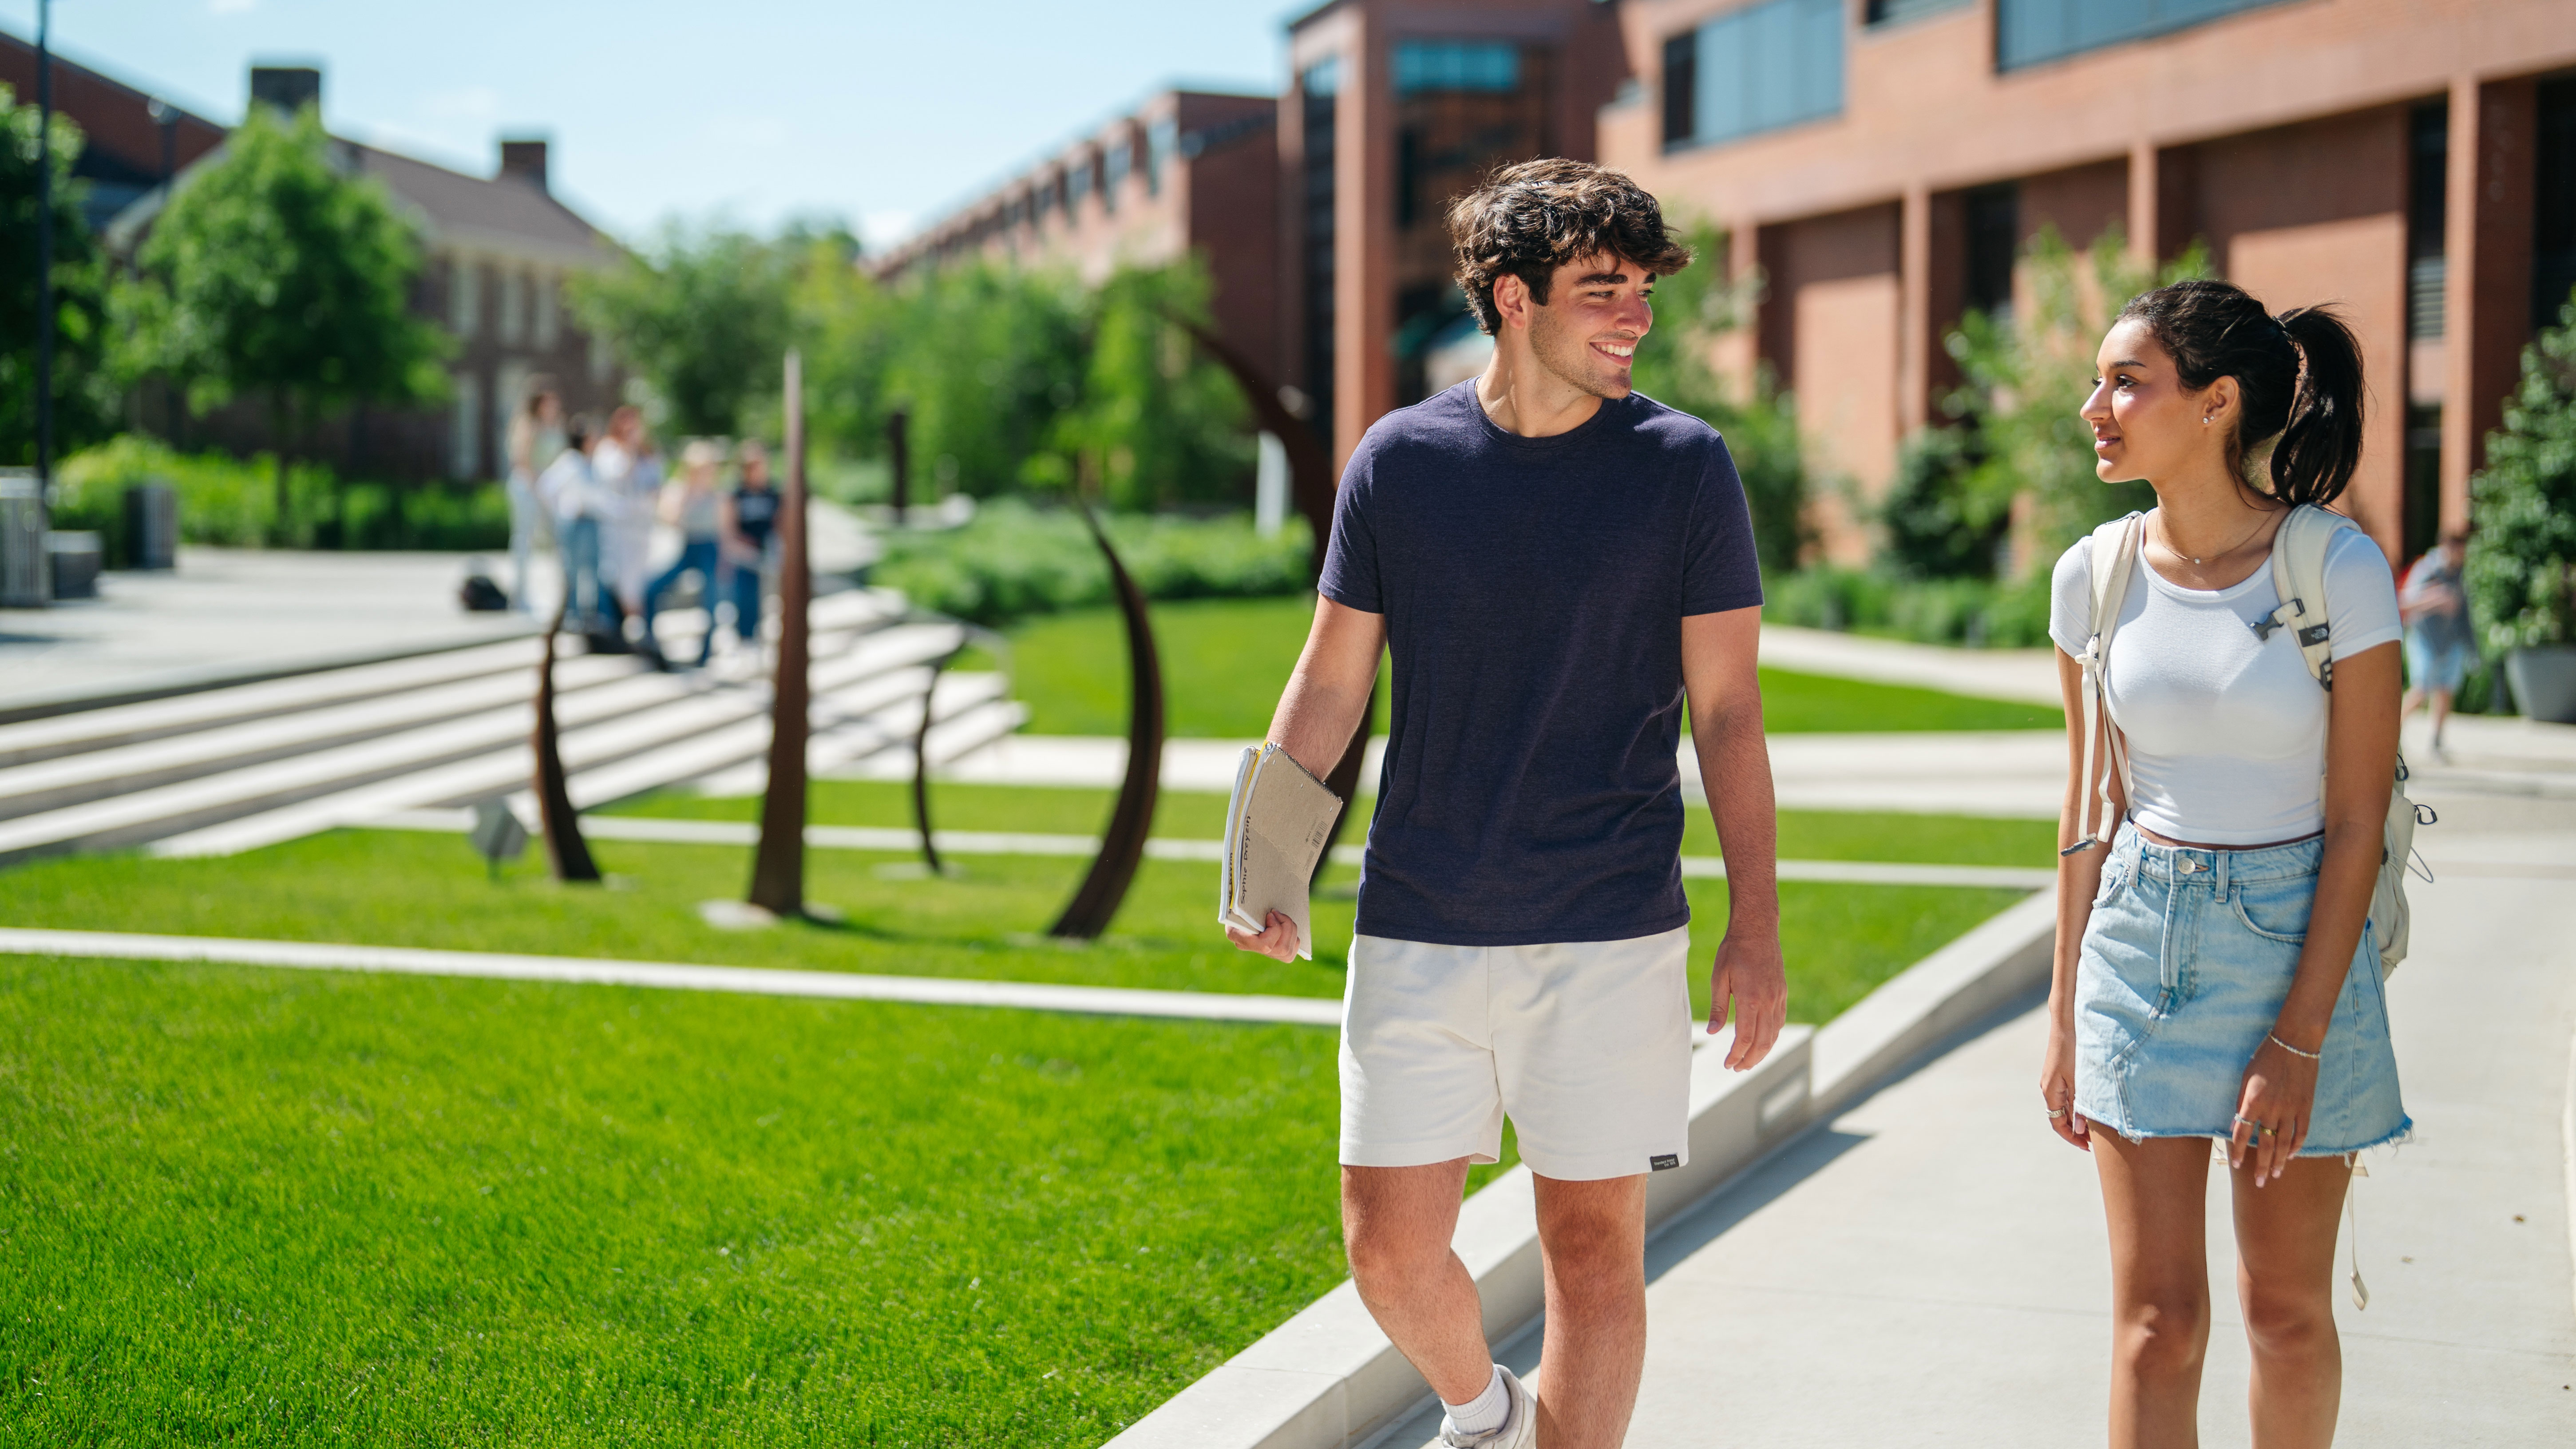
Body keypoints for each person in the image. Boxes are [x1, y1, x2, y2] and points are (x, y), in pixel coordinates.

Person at [1223, 158, 1783, 1449]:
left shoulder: (1682, 468)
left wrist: (1752, 926)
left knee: (1591, 1253)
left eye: (1642, 290)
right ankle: (1483, 1411)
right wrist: (1265, 862)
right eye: (1603, 290)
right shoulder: (1401, 461)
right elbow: (1329, 676)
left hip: (1607, 922)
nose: (1634, 316)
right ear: (1511, 297)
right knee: (1383, 1245)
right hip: (1420, 910)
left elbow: (1729, 714)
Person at [2041, 278, 2407, 1446]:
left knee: (2286, 1312)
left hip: (2299, 934)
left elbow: (2355, 824)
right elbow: (2088, 808)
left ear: (2216, 404)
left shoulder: (2334, 568)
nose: (2094, 406)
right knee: (2157, 1323)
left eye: (2125, 382)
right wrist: (2061, 1019)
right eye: (2096, 382)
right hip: (2139, 942)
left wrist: (2298, 1040)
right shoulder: (2092, 575)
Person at [640, 439, 727, 668]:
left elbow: (726, 530)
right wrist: (684, 497)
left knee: (711, 600)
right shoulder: (679, 490)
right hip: (688, 548)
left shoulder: (718, 495)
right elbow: (668, 517)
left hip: (710, 549)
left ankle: (706, 653)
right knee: (651, 589)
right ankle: (652, 644)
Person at [2399, 526, 2472, 760]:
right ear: (2447, 547)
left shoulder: (2458, 572)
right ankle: (2393, 735)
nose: (2462, 555)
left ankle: (2437, 743)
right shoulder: (2427, 568)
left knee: (2445, 691)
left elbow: (2464, 612)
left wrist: (2471, 646)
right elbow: (2405, 602)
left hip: (2450, 642)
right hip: (2424, 640)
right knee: (2421, 690)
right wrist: (2436, 599)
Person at [538, 415, 612, 638]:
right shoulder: (570, 462)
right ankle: (572, 615)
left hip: (591, 522)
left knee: (593, 570)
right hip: (576, 523)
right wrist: (563, 509)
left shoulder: (593, 462)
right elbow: (546, 487)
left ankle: (590, 614)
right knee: (573, 570)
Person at [503, 382, 563, 614]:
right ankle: (520, 596)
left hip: (546, 491)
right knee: (524, 541)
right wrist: (540, 488)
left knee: (555, 542)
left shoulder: (554, 426)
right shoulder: (528, 426)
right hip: (528, 489)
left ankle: (557, 596)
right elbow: (523, 461)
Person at [720, 439, 780, 654]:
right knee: (744, 596)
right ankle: (744, 638)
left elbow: (779, 524)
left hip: (765, 553)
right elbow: (728, 527)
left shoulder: (773, 493)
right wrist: (735, 547)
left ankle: (756, 637)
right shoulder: (737, 493)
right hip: (743, 556)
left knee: (766, 599)